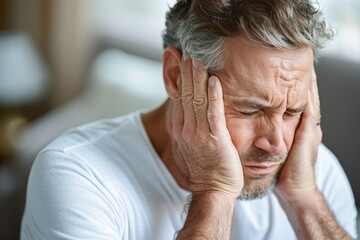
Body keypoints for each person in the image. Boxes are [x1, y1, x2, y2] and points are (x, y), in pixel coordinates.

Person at [21, 0, 358, 239]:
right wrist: (215, 191)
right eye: (250, 110)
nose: (277, 143)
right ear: (176, 77)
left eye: (293, 111)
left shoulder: (311, 169)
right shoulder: (77, 174)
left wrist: (305, 200)